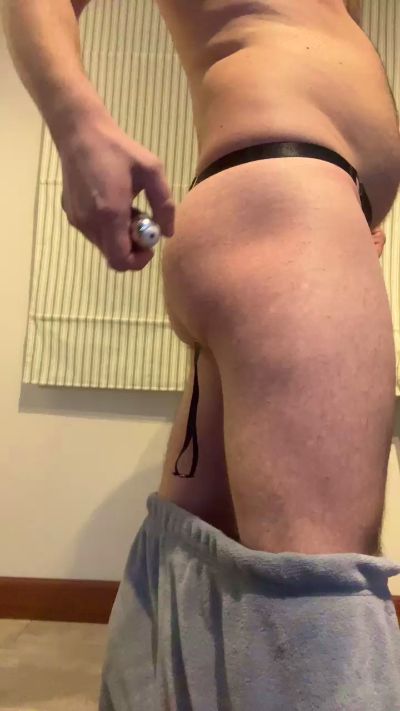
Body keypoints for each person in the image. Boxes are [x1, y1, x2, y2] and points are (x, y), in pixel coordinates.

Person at [2, 0, 400, 708]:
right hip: (289, 202)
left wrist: (358, 207)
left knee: (193, 579)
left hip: (283, 204)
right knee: (313, 617)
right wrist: (76, 124)